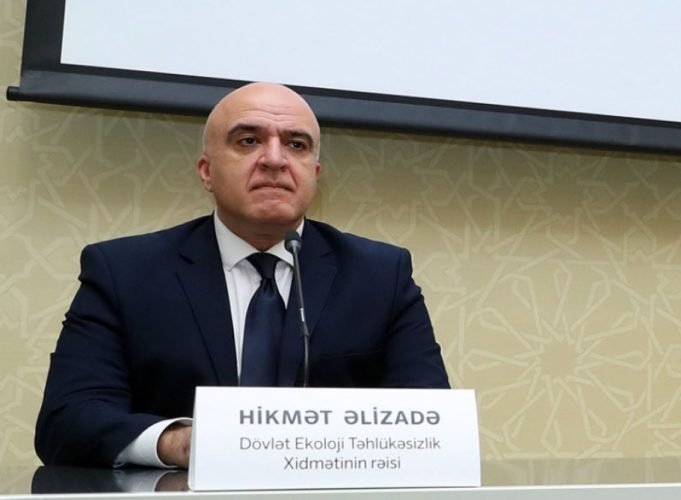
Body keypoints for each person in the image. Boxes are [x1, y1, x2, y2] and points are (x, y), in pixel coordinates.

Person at [35, 82, 450, 469]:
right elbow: (67, 420)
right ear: (206, 171)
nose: (274, 159)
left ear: (314, 174)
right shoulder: (124, 271)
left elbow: (433, 425)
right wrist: (183, 443)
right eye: (248, 141)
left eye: (296, 144)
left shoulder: (381, 275)